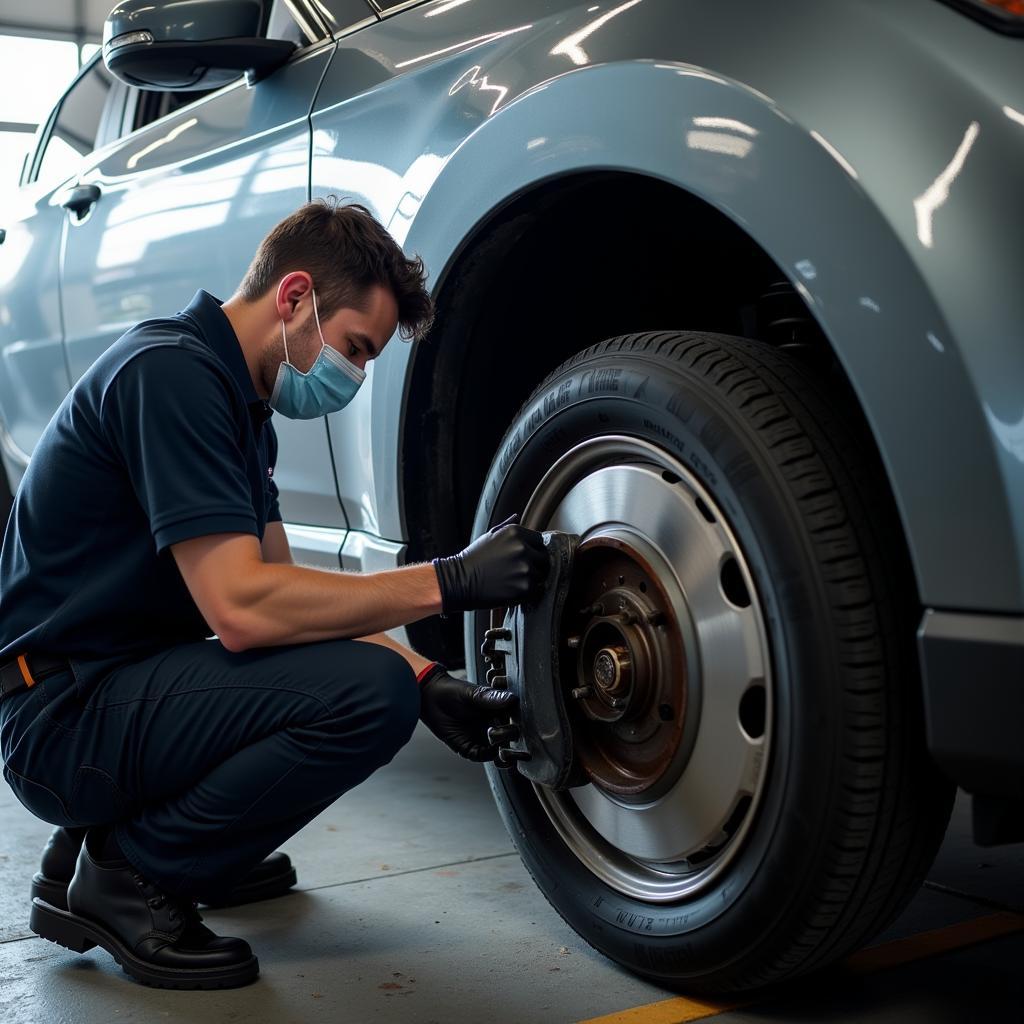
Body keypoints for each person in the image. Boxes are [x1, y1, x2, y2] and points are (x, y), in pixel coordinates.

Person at [0, 198, 548, 989]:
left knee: (389, 683)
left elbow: (291, 599)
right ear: (295, 299)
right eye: (355, 349)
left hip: (96, 691)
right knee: (367, 698)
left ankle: (101, 847)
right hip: (56, 721)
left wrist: (427, 681)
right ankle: (129, 872)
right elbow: (243, 610)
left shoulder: (236, 402)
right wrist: (450, 582)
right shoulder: (173, 376)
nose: (354, 377)